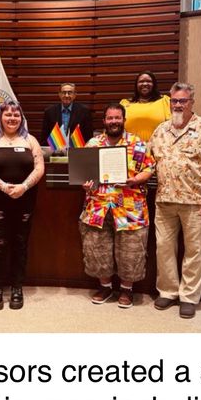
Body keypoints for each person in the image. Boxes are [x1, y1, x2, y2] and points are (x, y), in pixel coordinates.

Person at [148, 82, 201, 319]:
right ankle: (168, 291)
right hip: (164, 200)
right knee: (164, 248)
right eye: (174, 101)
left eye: (183, 101)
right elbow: (147, 161)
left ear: (192, 102)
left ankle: (189, 296)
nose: (178, 105)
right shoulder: (160, 130)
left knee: (195, 251)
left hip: (196, 201)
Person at [80, 104, 155, 308]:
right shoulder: (93, 144)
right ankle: (105, 287)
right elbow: (84, 174)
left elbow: (149, 168)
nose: (114, 121)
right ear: (104, 121)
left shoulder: (137, 143)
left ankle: (126, 290)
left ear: (124, 120)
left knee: (130, 250)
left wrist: (136, 180)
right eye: (110, 118)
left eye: (117, 118)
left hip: (130, 206)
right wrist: (86, 183)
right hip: (98, 205)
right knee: (98, 248)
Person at [0, 102, 45, 310]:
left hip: (24, 201)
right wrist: (5, 187)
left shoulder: (30, 140)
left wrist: (23, 187)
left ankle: (17, 288)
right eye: (8, 114)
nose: (12, 118)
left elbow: (39, 167)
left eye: (16, 114)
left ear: (21, 117)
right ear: (0, 117)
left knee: (20, 245)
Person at [121, 71, 171, 141]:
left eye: (149, 81)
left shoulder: (165, 101)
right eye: (141, 81)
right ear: (136, 85)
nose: (145, 84)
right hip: (131, 149)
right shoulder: (125, 103)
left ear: (154, 84)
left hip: (158, 149)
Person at [40, 83, 93, 148]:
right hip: (55, 152)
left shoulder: (84, 112)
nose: (66, 95)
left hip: (77, 152)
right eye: (64, 92)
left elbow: (89, 138)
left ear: (75, 95)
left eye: (70, 92)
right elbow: (44, 138)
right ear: (59, 94)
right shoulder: (49, 112)